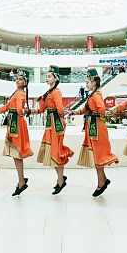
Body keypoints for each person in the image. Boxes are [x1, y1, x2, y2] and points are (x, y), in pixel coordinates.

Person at [69, 69, 119, 196]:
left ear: (94, 83)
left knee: (98, 156)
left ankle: (101, 184)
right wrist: (73, 112)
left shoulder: (96, 95)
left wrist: (104, 112)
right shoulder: (92, 95)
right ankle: (103, 180)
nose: (86, 84)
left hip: (96, 128)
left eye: (87, 82)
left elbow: (101, 109)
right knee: (97, 155)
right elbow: (85, 109)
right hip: (93, 127)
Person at [29, 66, 74, 195]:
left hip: (56, 124)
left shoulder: (56, 92)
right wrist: (30, 111)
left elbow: (59, 109)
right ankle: (61, 178)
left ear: (56, 78)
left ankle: (60, 180)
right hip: (51, 124)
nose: (47, 78)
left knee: (55, 151)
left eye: (49, 76)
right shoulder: (49, 92)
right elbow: (41, 110)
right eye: (46, 76)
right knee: (52, 151)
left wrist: (61, 118)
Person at [0, 69, 33, 196]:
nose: (17, 80)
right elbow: (7, 107)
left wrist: (22, 111)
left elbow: (18, 109)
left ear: (25, 83)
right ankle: (21, 180)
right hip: (14, 122)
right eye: (17, 79)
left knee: (17, 153)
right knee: (16, 154)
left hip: (16, 123)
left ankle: (21, 182)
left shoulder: (20, 93)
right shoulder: (18, 93)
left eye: (20, 79)